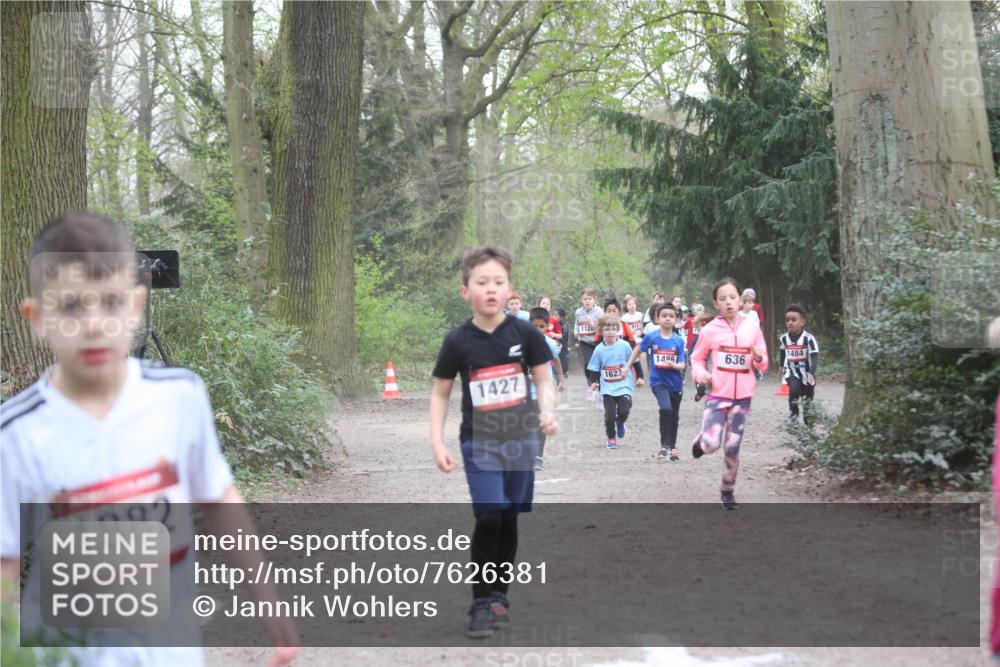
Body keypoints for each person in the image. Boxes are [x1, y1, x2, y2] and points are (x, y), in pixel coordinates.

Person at [0, 211, 298, 667]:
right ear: (37, 318)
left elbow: (218, 498)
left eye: (112, 302)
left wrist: (266, 598)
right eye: (72, 306)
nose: (95, 324)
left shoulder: (179, 397)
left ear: (137, 305)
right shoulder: (15, 432)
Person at [430, 246, 558, 638]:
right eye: (481, 282)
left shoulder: (525, 333)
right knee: (489, 514)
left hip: (521, 440)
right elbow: (441, 393)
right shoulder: (457, 341)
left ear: (509, 289)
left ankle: (500, 593)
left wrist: (547, 412)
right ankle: (481, 601)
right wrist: (437, 441)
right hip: (479, 442)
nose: (490, 289)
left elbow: (543, 377)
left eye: (498, 282)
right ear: (465, 290)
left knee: (508, 517)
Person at [689, 278, 768, 510]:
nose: (729, 302)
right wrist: (701, 374)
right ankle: (701, 442)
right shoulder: (710, 330)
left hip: (742, 398)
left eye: (733, 297)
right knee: (712, 444)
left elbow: (763, 363)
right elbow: (696, 358)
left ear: (741, 300)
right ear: (716, 304)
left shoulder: (752, 328)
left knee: (732, 446)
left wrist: (758, 358)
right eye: (723, 299)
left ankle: (727, 491)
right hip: (717, 397)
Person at [626, 303, 686, 461]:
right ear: (657, 319)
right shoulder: (652, 337)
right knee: (665, 409)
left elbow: (682, 364)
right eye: (664, 316)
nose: (667, 318)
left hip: (675, 383)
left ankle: (672, 446)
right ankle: (664, 446)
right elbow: (638, 349)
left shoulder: (679, 341)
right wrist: (627, 366)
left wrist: (675, 365)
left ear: (676, 320)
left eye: (671, 316)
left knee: (674, 415)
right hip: (658, 381)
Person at [587, 315, 639, 449]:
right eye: (607, 329)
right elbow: (594, 368)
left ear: (618, 330)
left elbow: (634, 361)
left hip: (624, 385)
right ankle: (611, 438)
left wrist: (640, 376)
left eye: (613, 329)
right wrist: (594, 381)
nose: (610, 332)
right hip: (607, 387)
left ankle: (620, 423)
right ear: (601, 331)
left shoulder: (624, 345)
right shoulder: (599, 349)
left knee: (624, 411)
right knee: (609, 416)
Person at [529, 307, 566, 470]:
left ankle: (538, 457)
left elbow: (556, 360)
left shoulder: (549, 343)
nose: (538, 330)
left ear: (547, 327)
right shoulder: (521, 344)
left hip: (543, 390)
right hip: (525, 391)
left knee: (541, 423)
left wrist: (561, 380)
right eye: (534, 326)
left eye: (541, 326)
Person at [779, 304, 820, 425]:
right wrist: (781, 365)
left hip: (807, 373)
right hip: (791, 371)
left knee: (808, 402)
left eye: (793, 320)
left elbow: (814, 356)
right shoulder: (784, 338)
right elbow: (782, 351)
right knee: (794, 391)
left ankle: (809, 427)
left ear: (802, 322)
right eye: (788, 320)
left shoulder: (808, 338)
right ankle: (794, 419)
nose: (790, 323)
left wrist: (811, 372)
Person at [592, 299, 643, 383]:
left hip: (622, 357)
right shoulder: (602, 326)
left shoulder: (624, 325)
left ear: (619, 312)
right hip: (607, 356)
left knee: (632, 356)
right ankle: (598, 383)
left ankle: (638, 377)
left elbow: (632, 340)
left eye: (614, 311)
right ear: (605, 313)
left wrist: (623, 348)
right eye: (609, 311)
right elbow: (596, 340)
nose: (611, 313)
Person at [573, 288, 603, 392]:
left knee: (598, 364)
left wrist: (592, 324)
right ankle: (591, 384)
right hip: (584, 341)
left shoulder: (599, 312)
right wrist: (576, 332)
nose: (587, 301)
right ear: (581, 300)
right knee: (587, 363)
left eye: (590, 298)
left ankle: (599, 384)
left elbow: (602, 328)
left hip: (597, 341)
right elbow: (577, 323)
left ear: (594, 300)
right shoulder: (578, 312)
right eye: (585, 299)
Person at [555, 308, 570, 378]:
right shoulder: (552, 324)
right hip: (555, 348)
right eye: (554, 314)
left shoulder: (564, 327)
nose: (554, 316)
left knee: (563, 364)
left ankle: (565, 371)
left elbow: (562, 338)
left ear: (561, 318)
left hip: (562, 348)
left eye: (556, 315)